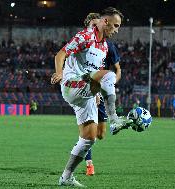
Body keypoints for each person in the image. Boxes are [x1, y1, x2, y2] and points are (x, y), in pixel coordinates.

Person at [51, 7, 132, 187]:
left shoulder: (103, 47)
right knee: (110, 75)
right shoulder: (85, 36)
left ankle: (66, 177)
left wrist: (95, 91)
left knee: (89, 138)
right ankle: (115, 119)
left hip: (85, 92)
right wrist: (59, 73)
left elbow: (92, 72)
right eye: (115, 26)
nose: (117, 30)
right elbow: (61, 54)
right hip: (71, 84)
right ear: (106, 22)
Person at [82, 12, 122, 176]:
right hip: (84, 92)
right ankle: (89, 163)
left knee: (101, 134)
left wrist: (107, 86)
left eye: (95, 24)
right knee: (88, 132)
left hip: (100, 90)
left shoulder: (108, 46)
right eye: (91, 25)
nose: (94, 27)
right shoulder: (82, 44)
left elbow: (118, 70)